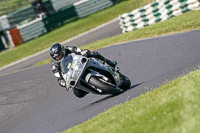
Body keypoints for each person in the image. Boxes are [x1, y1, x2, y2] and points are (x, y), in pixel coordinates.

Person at [49, 43, 117, 98]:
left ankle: (109, 62)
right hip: (74, 75)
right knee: (77, 93)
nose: (59, 58)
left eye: (60, 55)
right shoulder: (54, 66)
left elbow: (80, 51)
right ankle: (90, 88)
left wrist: (85, 52)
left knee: (95, 54)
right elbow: (59, 79)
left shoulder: (69, 49)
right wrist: (66, 83)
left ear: (63, 51)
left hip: (81, 65)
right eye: (56, 57)